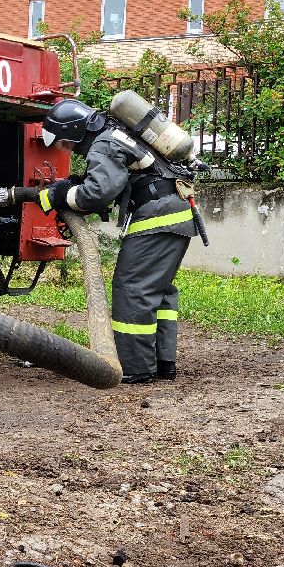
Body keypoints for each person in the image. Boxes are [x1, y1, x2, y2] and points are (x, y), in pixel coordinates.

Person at [37, 99, 197, 385]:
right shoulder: (117, 134)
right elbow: (115, 181)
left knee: (133, 288)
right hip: (175, 214)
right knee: (158, 291)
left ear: (73, 132)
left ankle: (136, 367)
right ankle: (162, 362)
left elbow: (98, 193)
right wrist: (74, 185)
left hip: (156, 220)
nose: (66, 150)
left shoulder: (104, 144)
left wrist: (61, 195)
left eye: (64, 143)